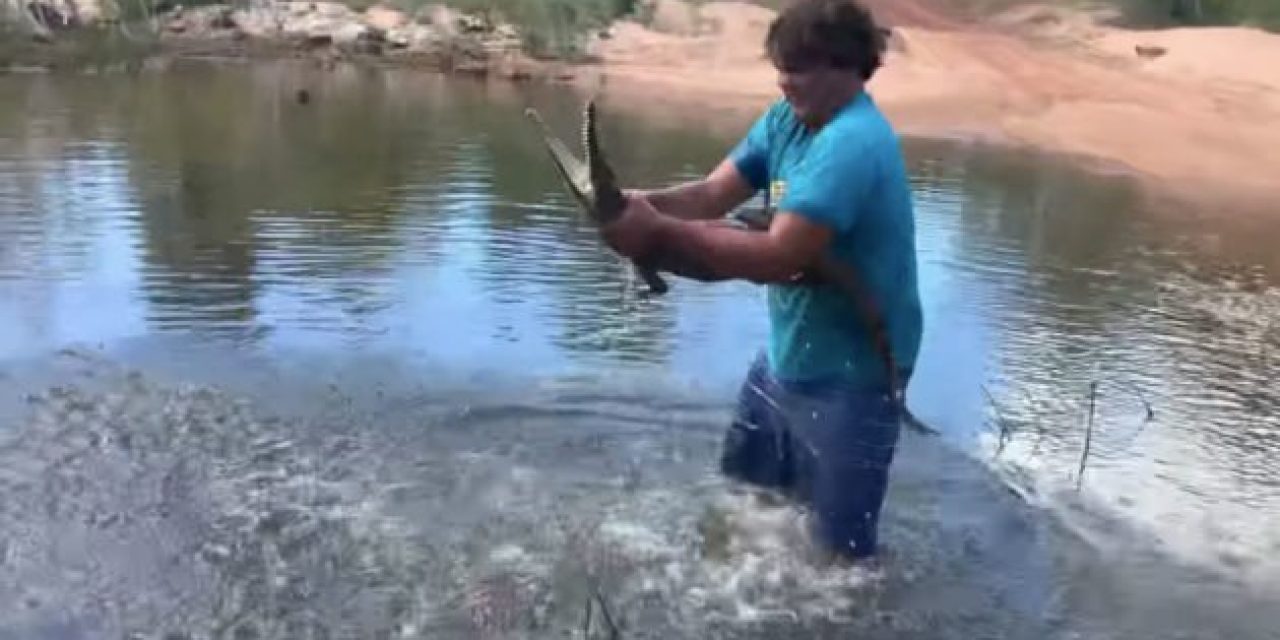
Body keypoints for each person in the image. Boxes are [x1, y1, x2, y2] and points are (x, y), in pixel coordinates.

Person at [599, 0, 923, 562]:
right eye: (779, 66)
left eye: (797, 68)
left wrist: (656, 239)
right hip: (783, 358)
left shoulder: (851, 143)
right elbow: (708, 196)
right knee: (746, 506)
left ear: (846, 68)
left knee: (840, 561)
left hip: (857, 374)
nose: (783, 80)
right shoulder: (786, 119)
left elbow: (777, 256)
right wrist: (627, 205)